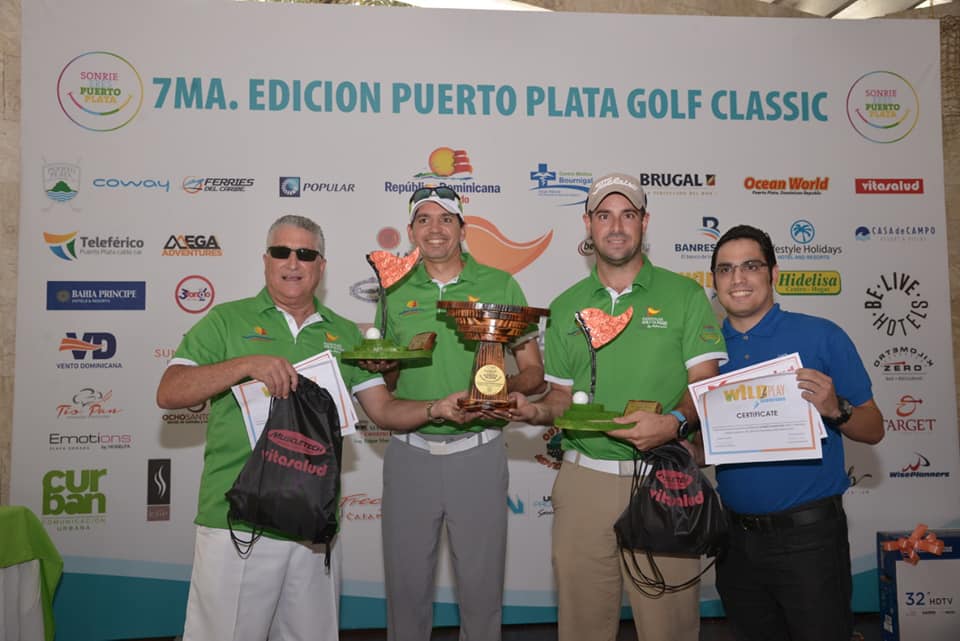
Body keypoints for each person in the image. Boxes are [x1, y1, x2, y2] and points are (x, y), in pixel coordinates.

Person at [156, 214, 469, 641]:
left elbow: (384, 410)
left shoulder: (343, 332)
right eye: (282, 252)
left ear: (321, 266)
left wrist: (437, 407)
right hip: (238, 522)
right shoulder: (227, 320)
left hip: (313, 527)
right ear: (266, 260)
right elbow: (171, 391)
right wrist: (246, 364)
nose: (293, 262)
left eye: (306, 254)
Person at [511, 173, 727, 641]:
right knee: (583, 625)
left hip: (662, 479)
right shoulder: (568, 304)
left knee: (668, 627)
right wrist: (533, 412)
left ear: (644, 222)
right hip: (584, 480)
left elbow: (706, 384)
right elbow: (561, 400)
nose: (616, 226)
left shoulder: (686, 295)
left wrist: (673, 422)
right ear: (587, 224)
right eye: (604, 215)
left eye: (627, 215)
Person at [360, 186, 545, 641]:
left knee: (482, 596)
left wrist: (496, 391)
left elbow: (535, 373)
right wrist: (380, 369)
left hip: (477, 454)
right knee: (405, 595)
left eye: (446, 219)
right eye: (423, 219)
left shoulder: (500, 285)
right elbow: (388, 382)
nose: (435, 229)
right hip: (409, 455)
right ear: (411, 231)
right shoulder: (394, 289)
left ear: (463, 228)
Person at [707, 224, 884, 641]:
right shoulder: (706, 350)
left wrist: (834, 408)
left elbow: (874, 428)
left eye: (751, 266)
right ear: (714, 282)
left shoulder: (822, 335)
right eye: (725, 269)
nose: (738, 278)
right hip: (733, 541)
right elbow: (706, 446)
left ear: (774, 273)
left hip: (809, 540)